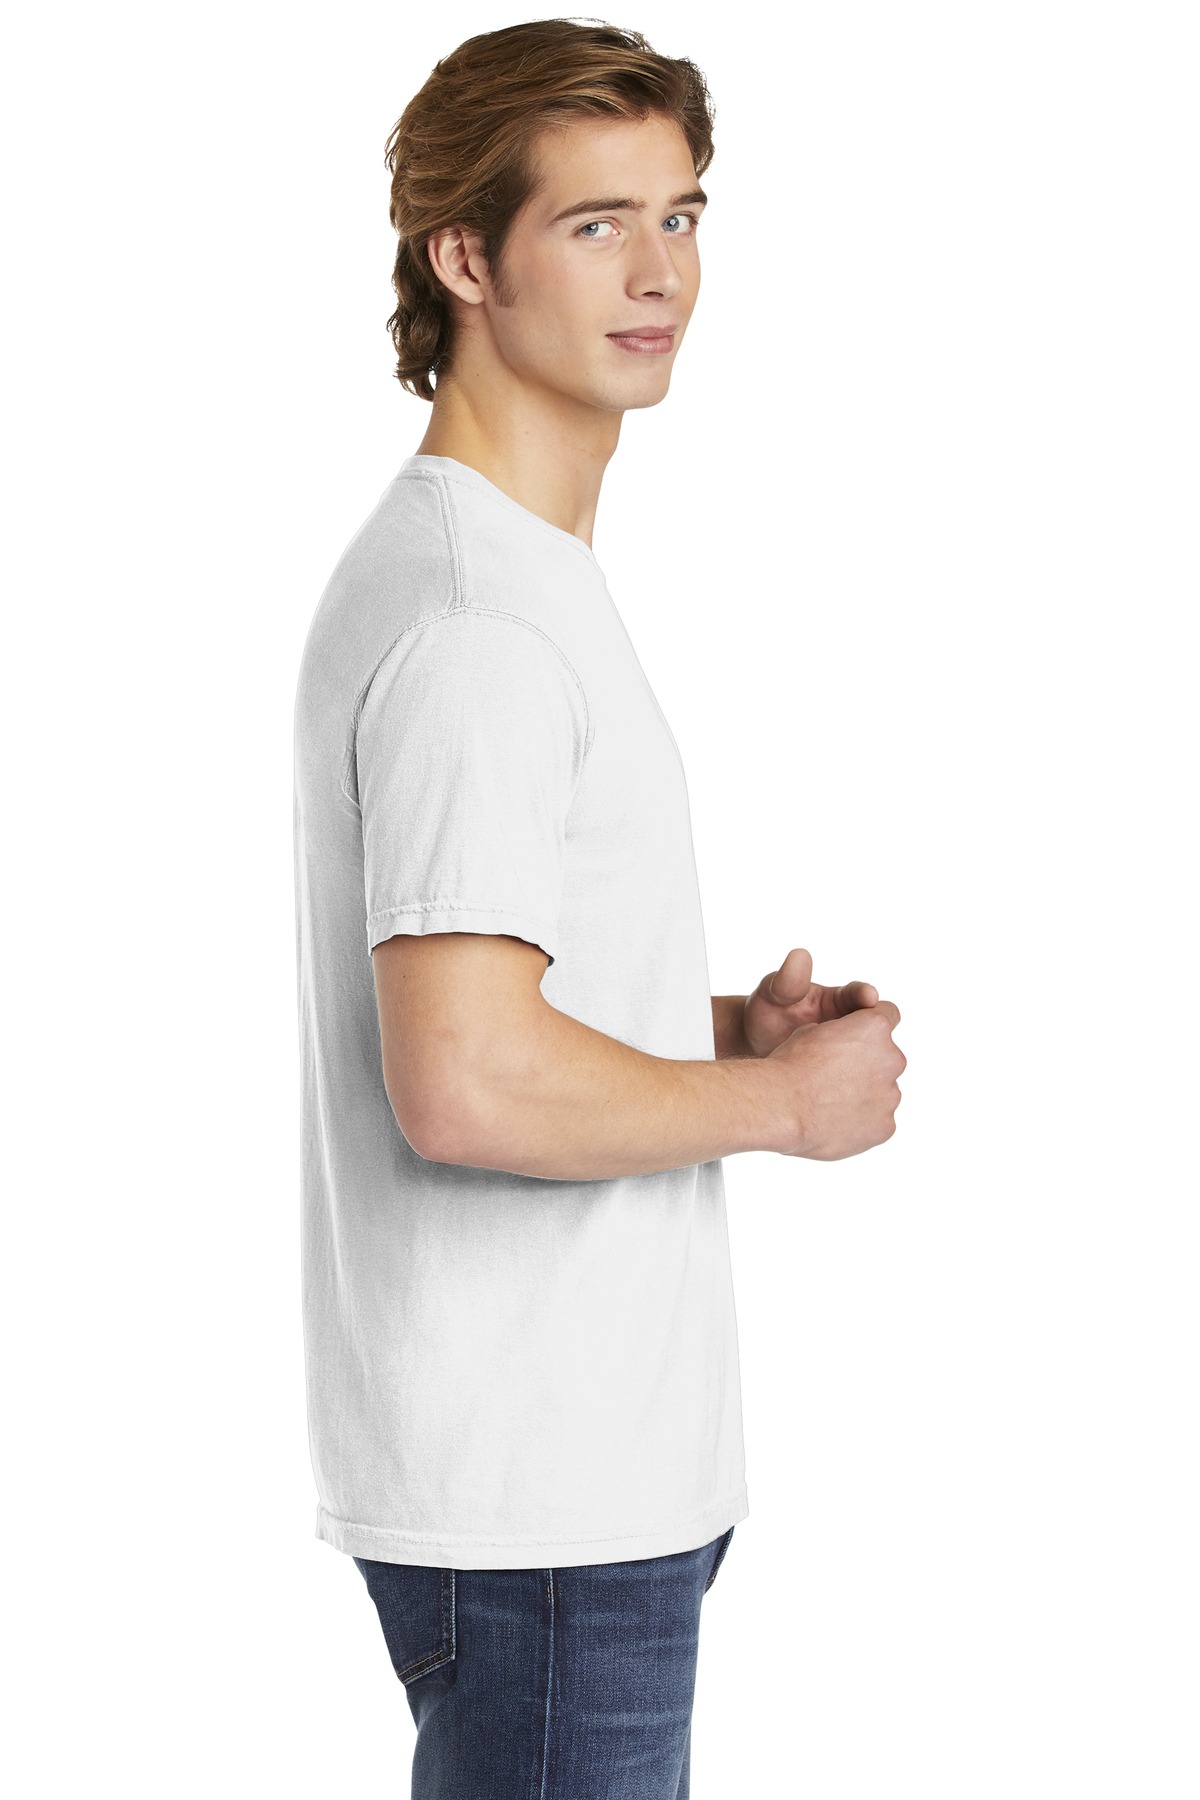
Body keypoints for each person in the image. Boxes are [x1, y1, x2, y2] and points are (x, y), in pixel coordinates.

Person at [290, 18, 905, 1798]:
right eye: (595, 224)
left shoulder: (514, 574)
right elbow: (464, 1079)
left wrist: (709, 1029)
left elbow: (481, 992)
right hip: (545, 1503)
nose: (662, 273)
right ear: (463, 259)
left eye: (683, 213)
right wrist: (782, 1105)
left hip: (572, 1488)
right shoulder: (477, 621)